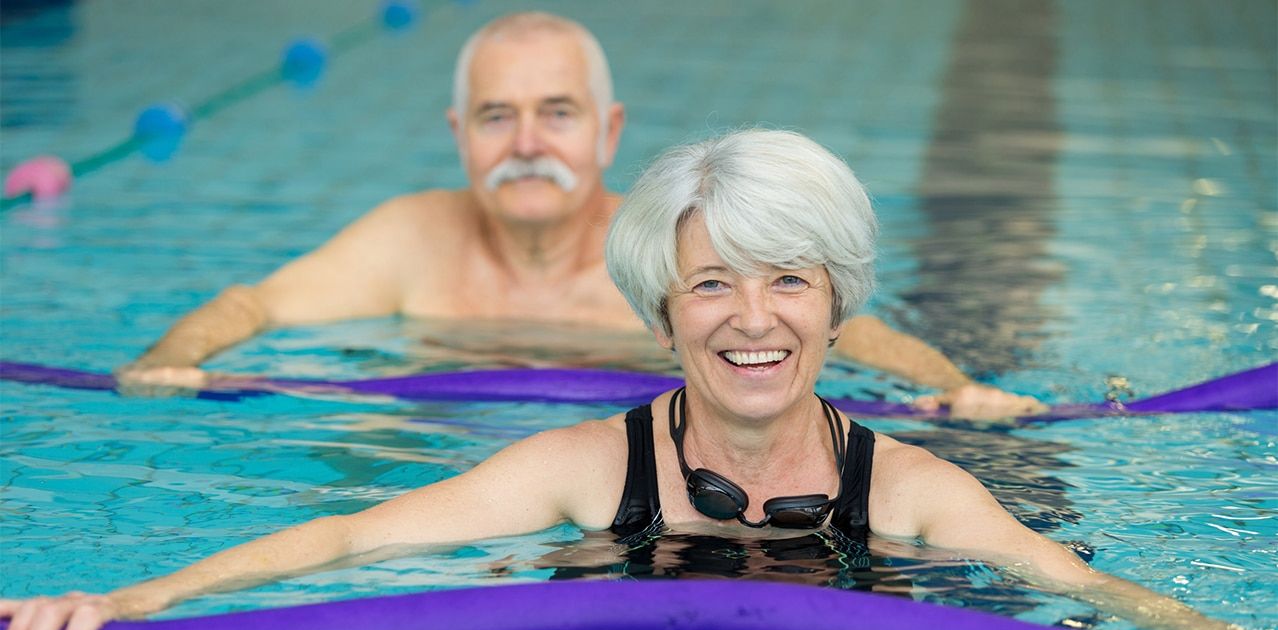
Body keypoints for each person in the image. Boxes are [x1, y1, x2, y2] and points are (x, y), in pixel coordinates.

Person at [5, 130, 1272, 630]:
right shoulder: (576, 468)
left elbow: (1085, 590)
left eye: (789, 281)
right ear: (661, 314)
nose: (753, 318)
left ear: (838, 310)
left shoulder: (916, 489)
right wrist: (124, 600)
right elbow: (349, 541)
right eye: (710, 284)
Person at [116, 11, 1042, 421]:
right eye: (496, 116)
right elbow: (255, 308)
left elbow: (847, 333)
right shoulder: (410, 236)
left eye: (556, 113)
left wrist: (956, 387)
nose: (528, 142)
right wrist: (171, 362)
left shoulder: (674, 248)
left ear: (608, 130)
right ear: (461, 134)